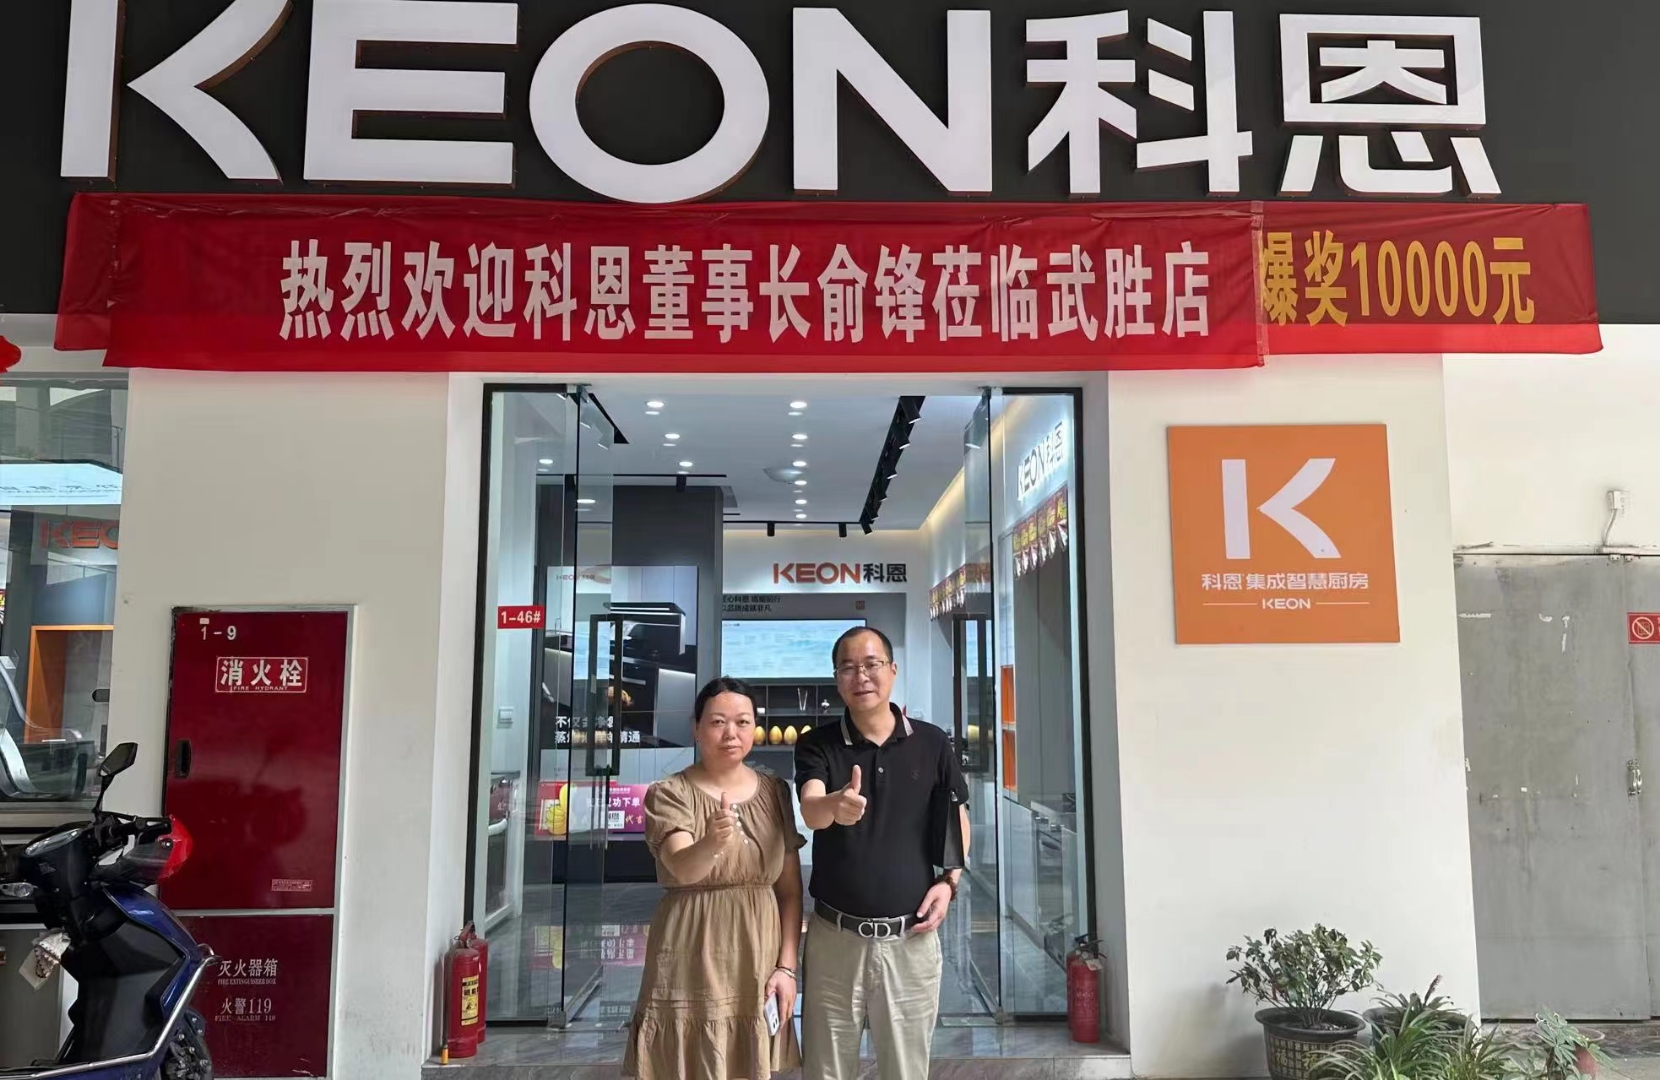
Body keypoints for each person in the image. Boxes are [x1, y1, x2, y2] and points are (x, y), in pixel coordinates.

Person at [794, 627, 970, 1080]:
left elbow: (956, 816)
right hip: (835, 941)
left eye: (871, 664)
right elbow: (811, 809)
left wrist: (949, 882)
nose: (861, 676)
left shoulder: (932, 742)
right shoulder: (817, 743)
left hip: (909, 940)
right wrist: (834, 805)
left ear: (892, 670)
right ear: (837, 679)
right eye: (848, 668)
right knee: (826, 1070)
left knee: (905, 1070)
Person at [624, 677, 805, 1080]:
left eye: (742, 722)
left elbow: (790, 892)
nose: (731, 733)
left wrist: (787, 968)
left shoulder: (775, 792)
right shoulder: (669, 792)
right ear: (696, 728)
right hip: (691, 949)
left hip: (757, 952)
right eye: (718, 722)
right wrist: (711, 842)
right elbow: (683, 867)